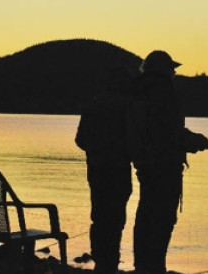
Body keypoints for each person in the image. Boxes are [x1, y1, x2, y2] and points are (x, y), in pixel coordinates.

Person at [127, 50, 208, 274]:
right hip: (164, 166)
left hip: (145, 164)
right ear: (162, 69)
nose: (174, 71)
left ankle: (143, 266)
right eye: (171, 68)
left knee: (146, 216)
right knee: (163, 219)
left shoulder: (138, 91)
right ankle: (154, 267)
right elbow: (168, 132)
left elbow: (160, 130)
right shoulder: (163, 92)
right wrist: (195, 142)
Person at [75, 66, 135, 274]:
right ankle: (109, 262)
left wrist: (96, 150)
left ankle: (102, 260)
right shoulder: (126, 106)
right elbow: (134, 140)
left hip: (96, 170)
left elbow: (80, 140)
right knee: (115, 219)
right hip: (117, 171)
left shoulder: (93, 104)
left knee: (100, 218)